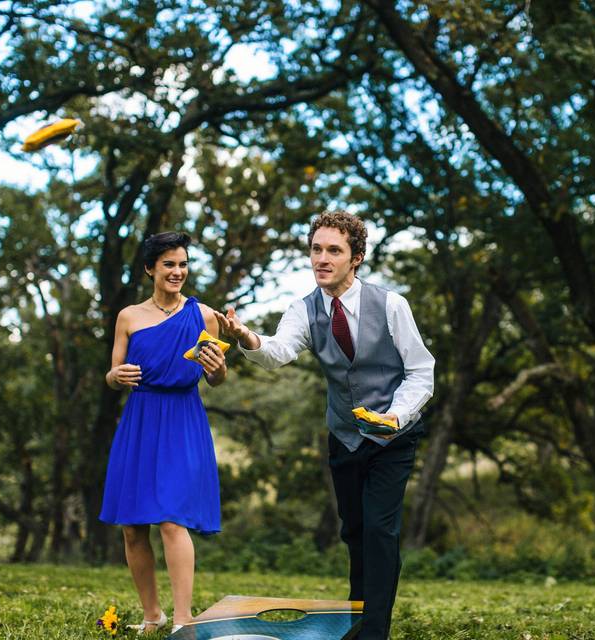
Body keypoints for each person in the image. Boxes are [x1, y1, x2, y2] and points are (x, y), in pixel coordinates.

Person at [219, 211, 435, 640]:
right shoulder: (305, 309)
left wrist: (396, 415)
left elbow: (421, 371)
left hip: (393, 436)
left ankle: (374, 631)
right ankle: (359, 620)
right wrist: (246, 336)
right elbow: (278, 351)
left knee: (379, 528)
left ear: (356, 258)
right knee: (354, 530)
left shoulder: (391, 305)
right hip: (345, 437)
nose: (322, 258)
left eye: (333, 250)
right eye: (316, 249)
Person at [100, 231, 227, 635]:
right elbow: (112, 374)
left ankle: (183, 619)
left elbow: (217, 378)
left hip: (182, 419)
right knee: (133, 525)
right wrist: (115, 376)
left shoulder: (204, 315)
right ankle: (152, 616)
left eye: (183, 264)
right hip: (140, 420)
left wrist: (219, 370)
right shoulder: (129, 317)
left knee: (172, 519)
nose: (177, 272)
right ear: (150, 269)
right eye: (169, 264)